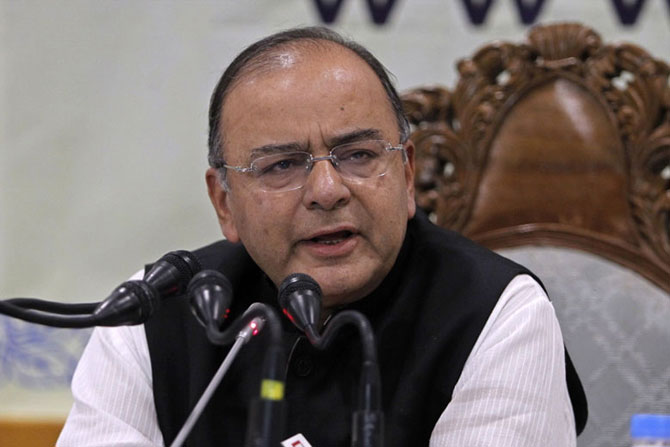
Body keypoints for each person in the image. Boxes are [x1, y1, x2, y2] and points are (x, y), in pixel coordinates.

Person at [57, 26, 586, 446]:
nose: (327, 191)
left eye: (358, 155)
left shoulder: (497, 313)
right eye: (281, 165)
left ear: (406, 175)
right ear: (224, 203)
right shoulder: (158, 314)